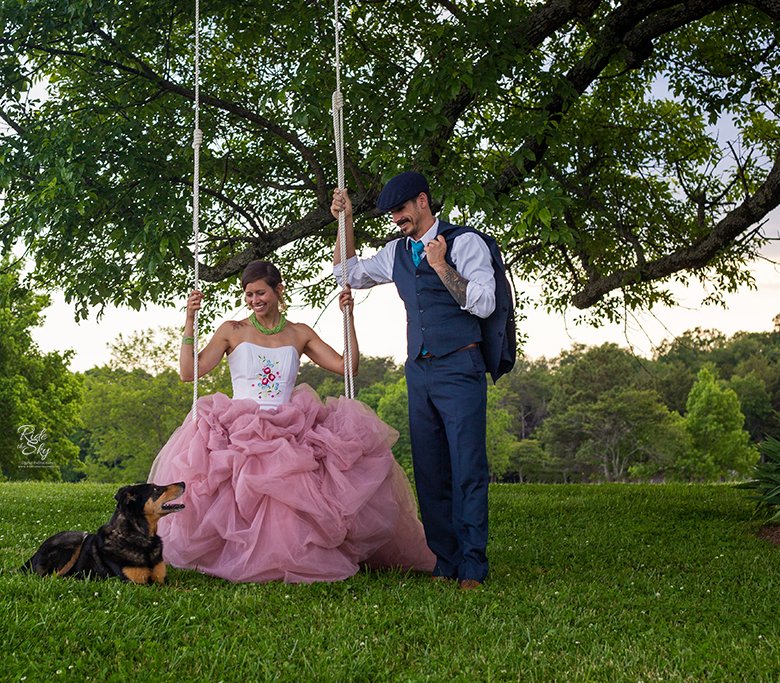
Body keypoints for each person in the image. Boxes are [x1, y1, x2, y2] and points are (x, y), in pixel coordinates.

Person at [148, 260, 436, 584]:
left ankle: (291, 555)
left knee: (296, 484)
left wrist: (349, 317)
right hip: (242, 423)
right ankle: (240, 554)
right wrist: (190, 320)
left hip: (289, 424)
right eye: (248, 294)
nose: (254, 300)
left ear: (278, 290)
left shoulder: (299, 333)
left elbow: (348, 367)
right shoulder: (233, 330)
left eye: (261, 293)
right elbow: (190, 373)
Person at [331, 171, 510, 591]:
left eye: (402, 209)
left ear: (423, 201)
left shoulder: (466, 243)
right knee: (430, 470)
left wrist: (440, 265)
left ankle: (472, 567)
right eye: (392, 213)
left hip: (459, 367)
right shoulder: (396, 252)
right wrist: (347, 222)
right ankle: (445, 561)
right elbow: (346, 273)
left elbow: (484, 304)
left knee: (467, 468)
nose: (397, 218)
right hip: (419, 370)